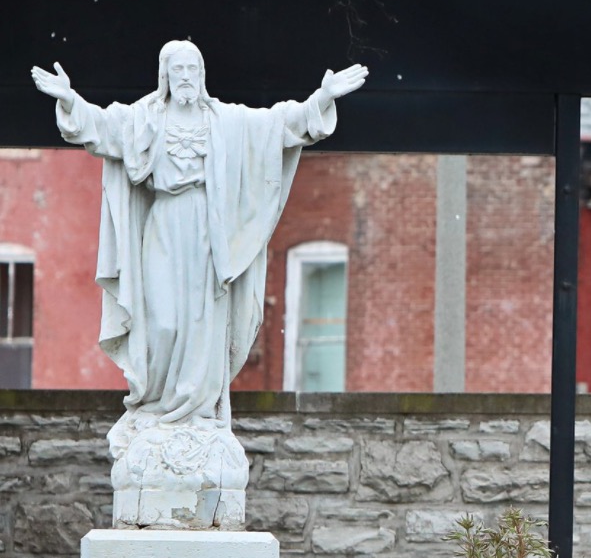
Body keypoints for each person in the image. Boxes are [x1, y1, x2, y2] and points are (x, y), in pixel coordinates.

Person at [30, 40, 367, 529]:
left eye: (193, 67)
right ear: (165, 74)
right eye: (177, 68)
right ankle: (158, 406)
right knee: (162, 320)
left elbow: (277, 126)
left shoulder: (225, 121)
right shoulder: (145, 118)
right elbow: (101, 129)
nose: (186, 76)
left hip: (210, 237)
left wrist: (322, 98)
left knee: (204, 323)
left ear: (202, 73)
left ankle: (197, 414)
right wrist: (68, 99)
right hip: (164, 227)